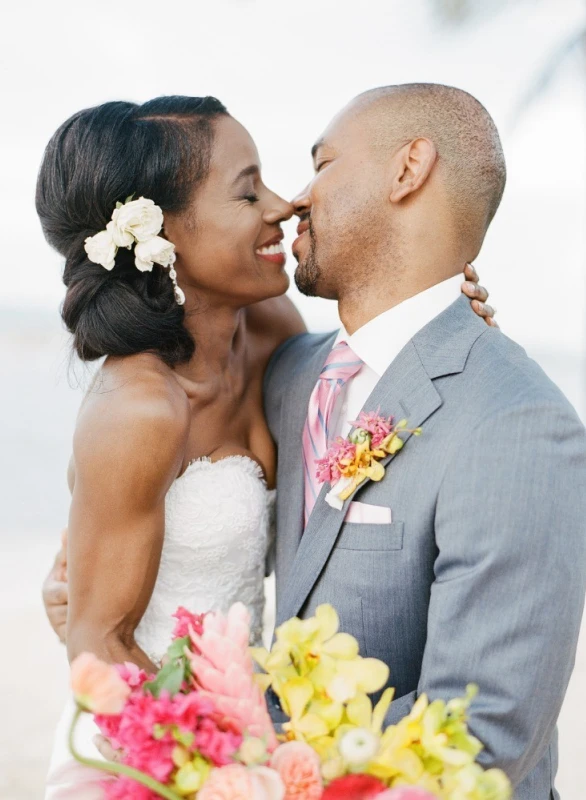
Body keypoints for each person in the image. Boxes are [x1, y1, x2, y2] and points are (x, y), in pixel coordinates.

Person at [39, 94, 493, 797]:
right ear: (166, 233)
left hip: (258, 730)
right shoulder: (138, 410)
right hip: (148, 751)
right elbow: (98, 646)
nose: (284, 206)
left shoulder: (270, 328)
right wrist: (209, 766)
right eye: (248, 191)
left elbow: (365, 378)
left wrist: (443, 318)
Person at [262, 84, 586, 799]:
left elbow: (479, 731)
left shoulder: (517, 421)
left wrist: (260, 770)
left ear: (409, 169)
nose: (295, 197)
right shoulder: (289, 377)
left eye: (323, 163)